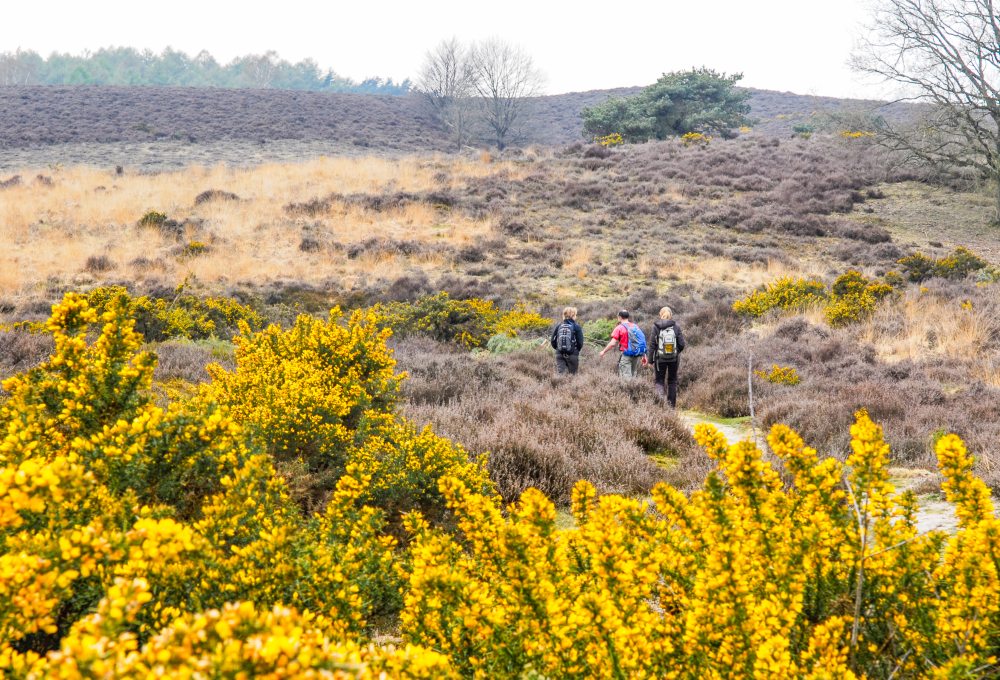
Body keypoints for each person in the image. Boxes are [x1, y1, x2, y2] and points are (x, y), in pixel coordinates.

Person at [645, 306, 686, 407]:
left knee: (659, 381)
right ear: (671, 315)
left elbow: (652, 345)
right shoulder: (676, 326)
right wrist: (675, 352)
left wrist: (650, 361)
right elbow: (682, 344)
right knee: (672, 381)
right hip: (674, 359)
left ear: (660, 314)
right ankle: (671, 407)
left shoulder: (656, 326)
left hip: (660, 359)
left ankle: (660, 406)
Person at [599, 310, 644, 379]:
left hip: (626, 355)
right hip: (636, 354)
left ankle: (627, 389)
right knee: (633, 376)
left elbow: (613, 343)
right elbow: (641, 341)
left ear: (620, 317)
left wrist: (603, 351)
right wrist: (644, 355)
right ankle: (634, 389)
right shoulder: (635, 326)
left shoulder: (619, 327)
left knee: (625, 378)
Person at [550, 306, 585, 375]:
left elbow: (552, 341)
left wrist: (558, 349)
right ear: (573, 315)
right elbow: (580, 342)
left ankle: (560, 385)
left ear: (564, 315)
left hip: (559, 354)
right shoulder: (576, 326)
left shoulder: (559, 326)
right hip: (573, 354)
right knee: (572, 376)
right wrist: (575, 350)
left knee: (561, 375)